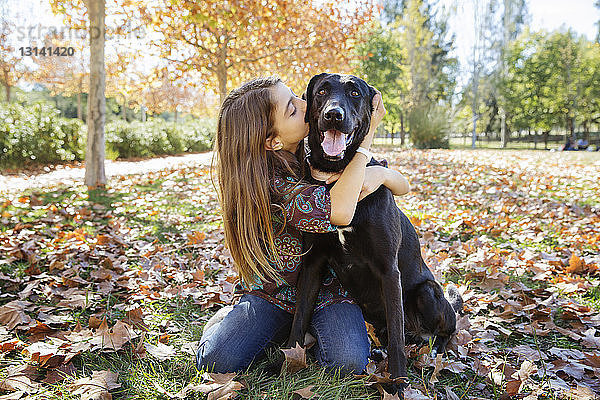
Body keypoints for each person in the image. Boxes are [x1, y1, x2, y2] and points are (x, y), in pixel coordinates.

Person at [196, 76, 410, 376]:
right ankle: (233, 320)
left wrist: (382, 176)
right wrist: (368, 137)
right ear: (272, 140)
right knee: (217, 360)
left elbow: (401, 184)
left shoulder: (320, 151)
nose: (305, 104)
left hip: (328, 291)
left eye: (298, 96)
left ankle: (306, 333)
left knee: (348, 362)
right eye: (292, 109)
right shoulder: (273, 184)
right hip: (275, 294)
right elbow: (339, 211)